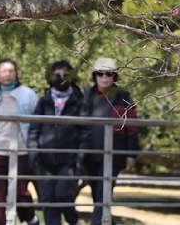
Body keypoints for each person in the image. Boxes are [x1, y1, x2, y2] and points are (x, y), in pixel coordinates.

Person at [27, 60, 89, 225]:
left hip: (68, 159)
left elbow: (84, 131)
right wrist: (33, 152)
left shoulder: (79, 101)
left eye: (66, 75)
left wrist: (80, 156)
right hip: (45, 159)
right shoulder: (44, 101)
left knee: (62, 195)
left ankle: (73, 221)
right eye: (57, 74)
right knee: (47, 199)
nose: (61, 78)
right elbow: (34, 129)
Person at [0, 58, 40, 225]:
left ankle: (31, 218)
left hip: (20, 151)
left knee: (21, 191)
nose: (7, 74)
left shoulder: (27, 94)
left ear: (16, 74)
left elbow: (36, 121)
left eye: (11, 70)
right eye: (3, 71)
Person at [83, 58, 139, 225]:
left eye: (109, 74)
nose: (104, 77)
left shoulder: (124, 99)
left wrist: (132, 153)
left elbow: (132, 128)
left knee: (103, 195)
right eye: (100, 73)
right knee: (98, 196)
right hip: (90, 152)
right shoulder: (86, 95)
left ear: (115, 76)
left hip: (114, 154)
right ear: (95, 75)